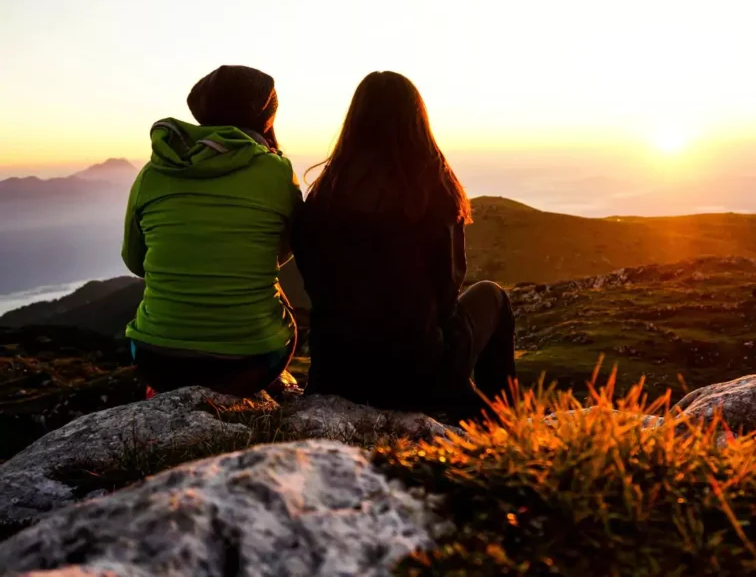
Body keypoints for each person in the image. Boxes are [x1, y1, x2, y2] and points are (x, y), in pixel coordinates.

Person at [292, 71, 516, 421]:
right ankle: (502, 424)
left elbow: (313, 279)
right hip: (415, 380)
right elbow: (448, 289)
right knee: (493, 297)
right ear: (417, 119)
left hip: (335, 375)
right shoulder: (434, 190)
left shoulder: (324, 193)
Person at [122, 65, 302, 397]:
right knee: (281, 300)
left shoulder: (154, 171)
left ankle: (164, 396)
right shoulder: (277, 172)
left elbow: (135, 261)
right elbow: (282, 252)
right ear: (266, 116)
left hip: (153, 360)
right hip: (253, 362)